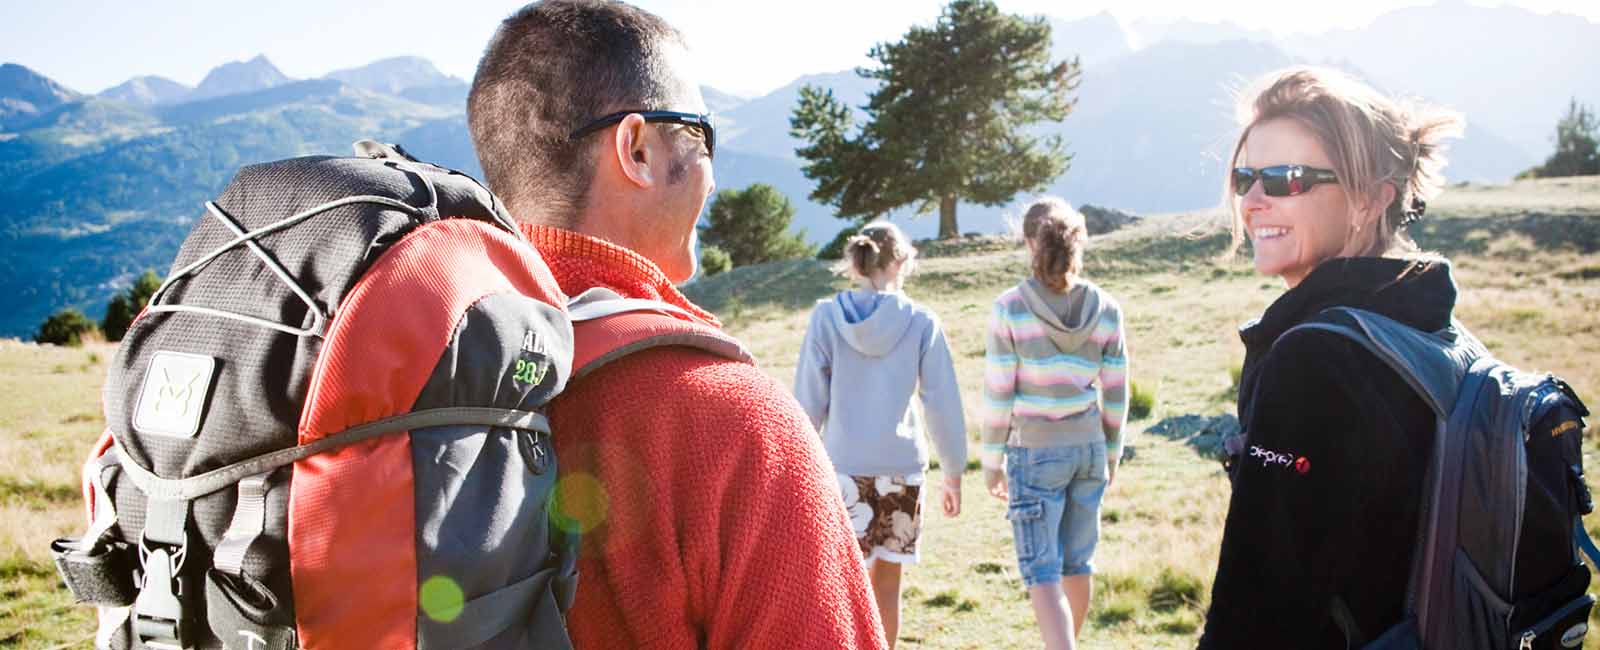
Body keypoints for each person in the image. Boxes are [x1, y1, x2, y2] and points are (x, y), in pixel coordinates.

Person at [466, 2, 885, 647]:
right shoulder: (735, 423)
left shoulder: (404, 373)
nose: (714, 178)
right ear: (637, 149)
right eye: (702, 134)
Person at [1197, 66, 1463, 648]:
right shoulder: (1431, 330)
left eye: (1287, 178)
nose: (1253, 201)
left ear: (1370, 198)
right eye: (1245, 178)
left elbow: (1257, 603)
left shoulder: (1315, 360)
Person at [793, 221, 968, 649]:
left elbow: (807, 401)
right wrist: (954, 472)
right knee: (887, 586)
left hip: (840, 470)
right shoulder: (922, 321)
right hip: (901, 471)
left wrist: (797, 470)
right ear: (901, 261)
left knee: (843, 586)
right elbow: (941, 401)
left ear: (855, 263)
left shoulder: (826, 318)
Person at [983, 197, 1129, 650]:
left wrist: (991, 460)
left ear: (1029, 242)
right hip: (1088, 449)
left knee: (1041, 571)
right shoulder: (1107, 308)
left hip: (1034, 451)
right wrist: (1111, 452)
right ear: (1079, 243)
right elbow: (1118, 392)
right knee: (1077, 565)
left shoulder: (1010, 308)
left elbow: (999, 391)